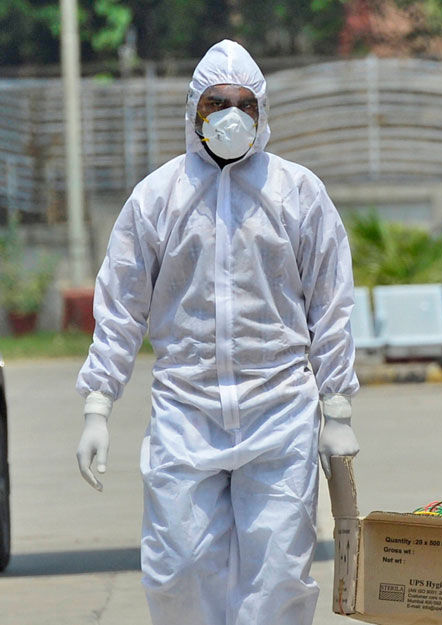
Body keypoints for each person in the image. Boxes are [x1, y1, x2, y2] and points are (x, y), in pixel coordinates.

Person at [73, 40, 360, 625]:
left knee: (279, 577)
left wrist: (337, 410)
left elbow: (330, 304)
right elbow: (121, 306)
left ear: (262, 112)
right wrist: (98, 404)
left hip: (279, 407)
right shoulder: (157, 197)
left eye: (244, 105)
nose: (231, 117)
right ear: (193, 112)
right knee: (177, 569)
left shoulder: (298, 193)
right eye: (216, 104)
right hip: (187, 407)